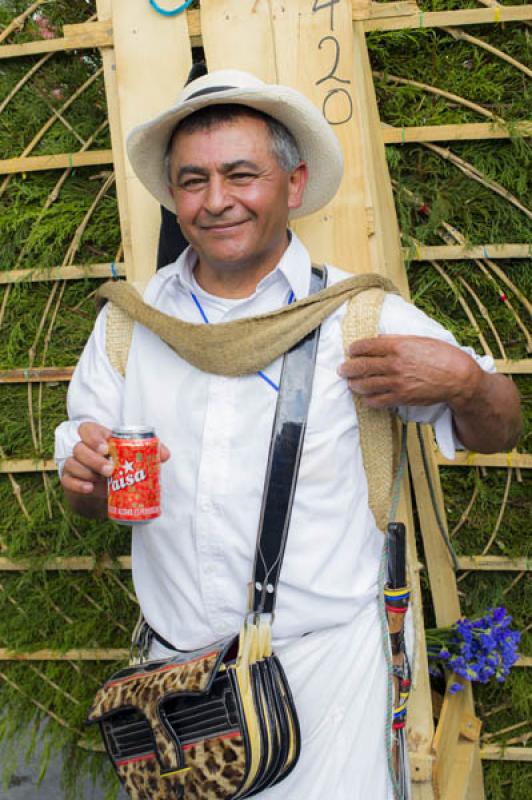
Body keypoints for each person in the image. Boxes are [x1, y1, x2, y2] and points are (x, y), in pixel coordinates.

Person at [54, 70, 521, 799]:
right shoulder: (128, 325)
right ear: (173, 195)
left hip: (326, 683)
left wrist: (468, 383)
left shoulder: (359, 318)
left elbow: (498, 430)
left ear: (294, 185)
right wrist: (84, 481)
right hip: (177, 694)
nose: (216, 201)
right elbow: (89, 494)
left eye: (242, 175)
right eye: (193, 180)